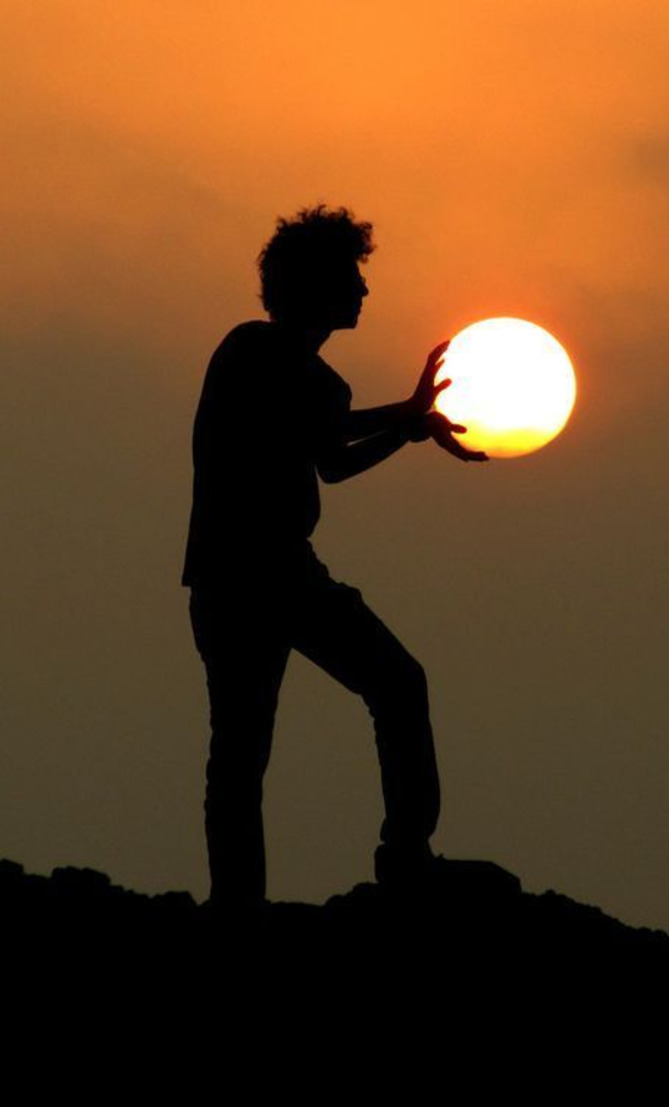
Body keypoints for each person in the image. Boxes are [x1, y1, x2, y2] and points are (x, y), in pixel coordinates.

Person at [182, 204, 486, 912]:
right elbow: (332, 453)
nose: (364, 288)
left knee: (244, 748)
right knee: (388, 689)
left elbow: (325, 439)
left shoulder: (261, 357)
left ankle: (241, 901)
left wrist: (406, 417)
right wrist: (406, 423)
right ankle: (400, 859)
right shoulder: (271, 359)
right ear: (315, 284)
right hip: (266, 576)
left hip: (242, 576)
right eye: (351, 275)